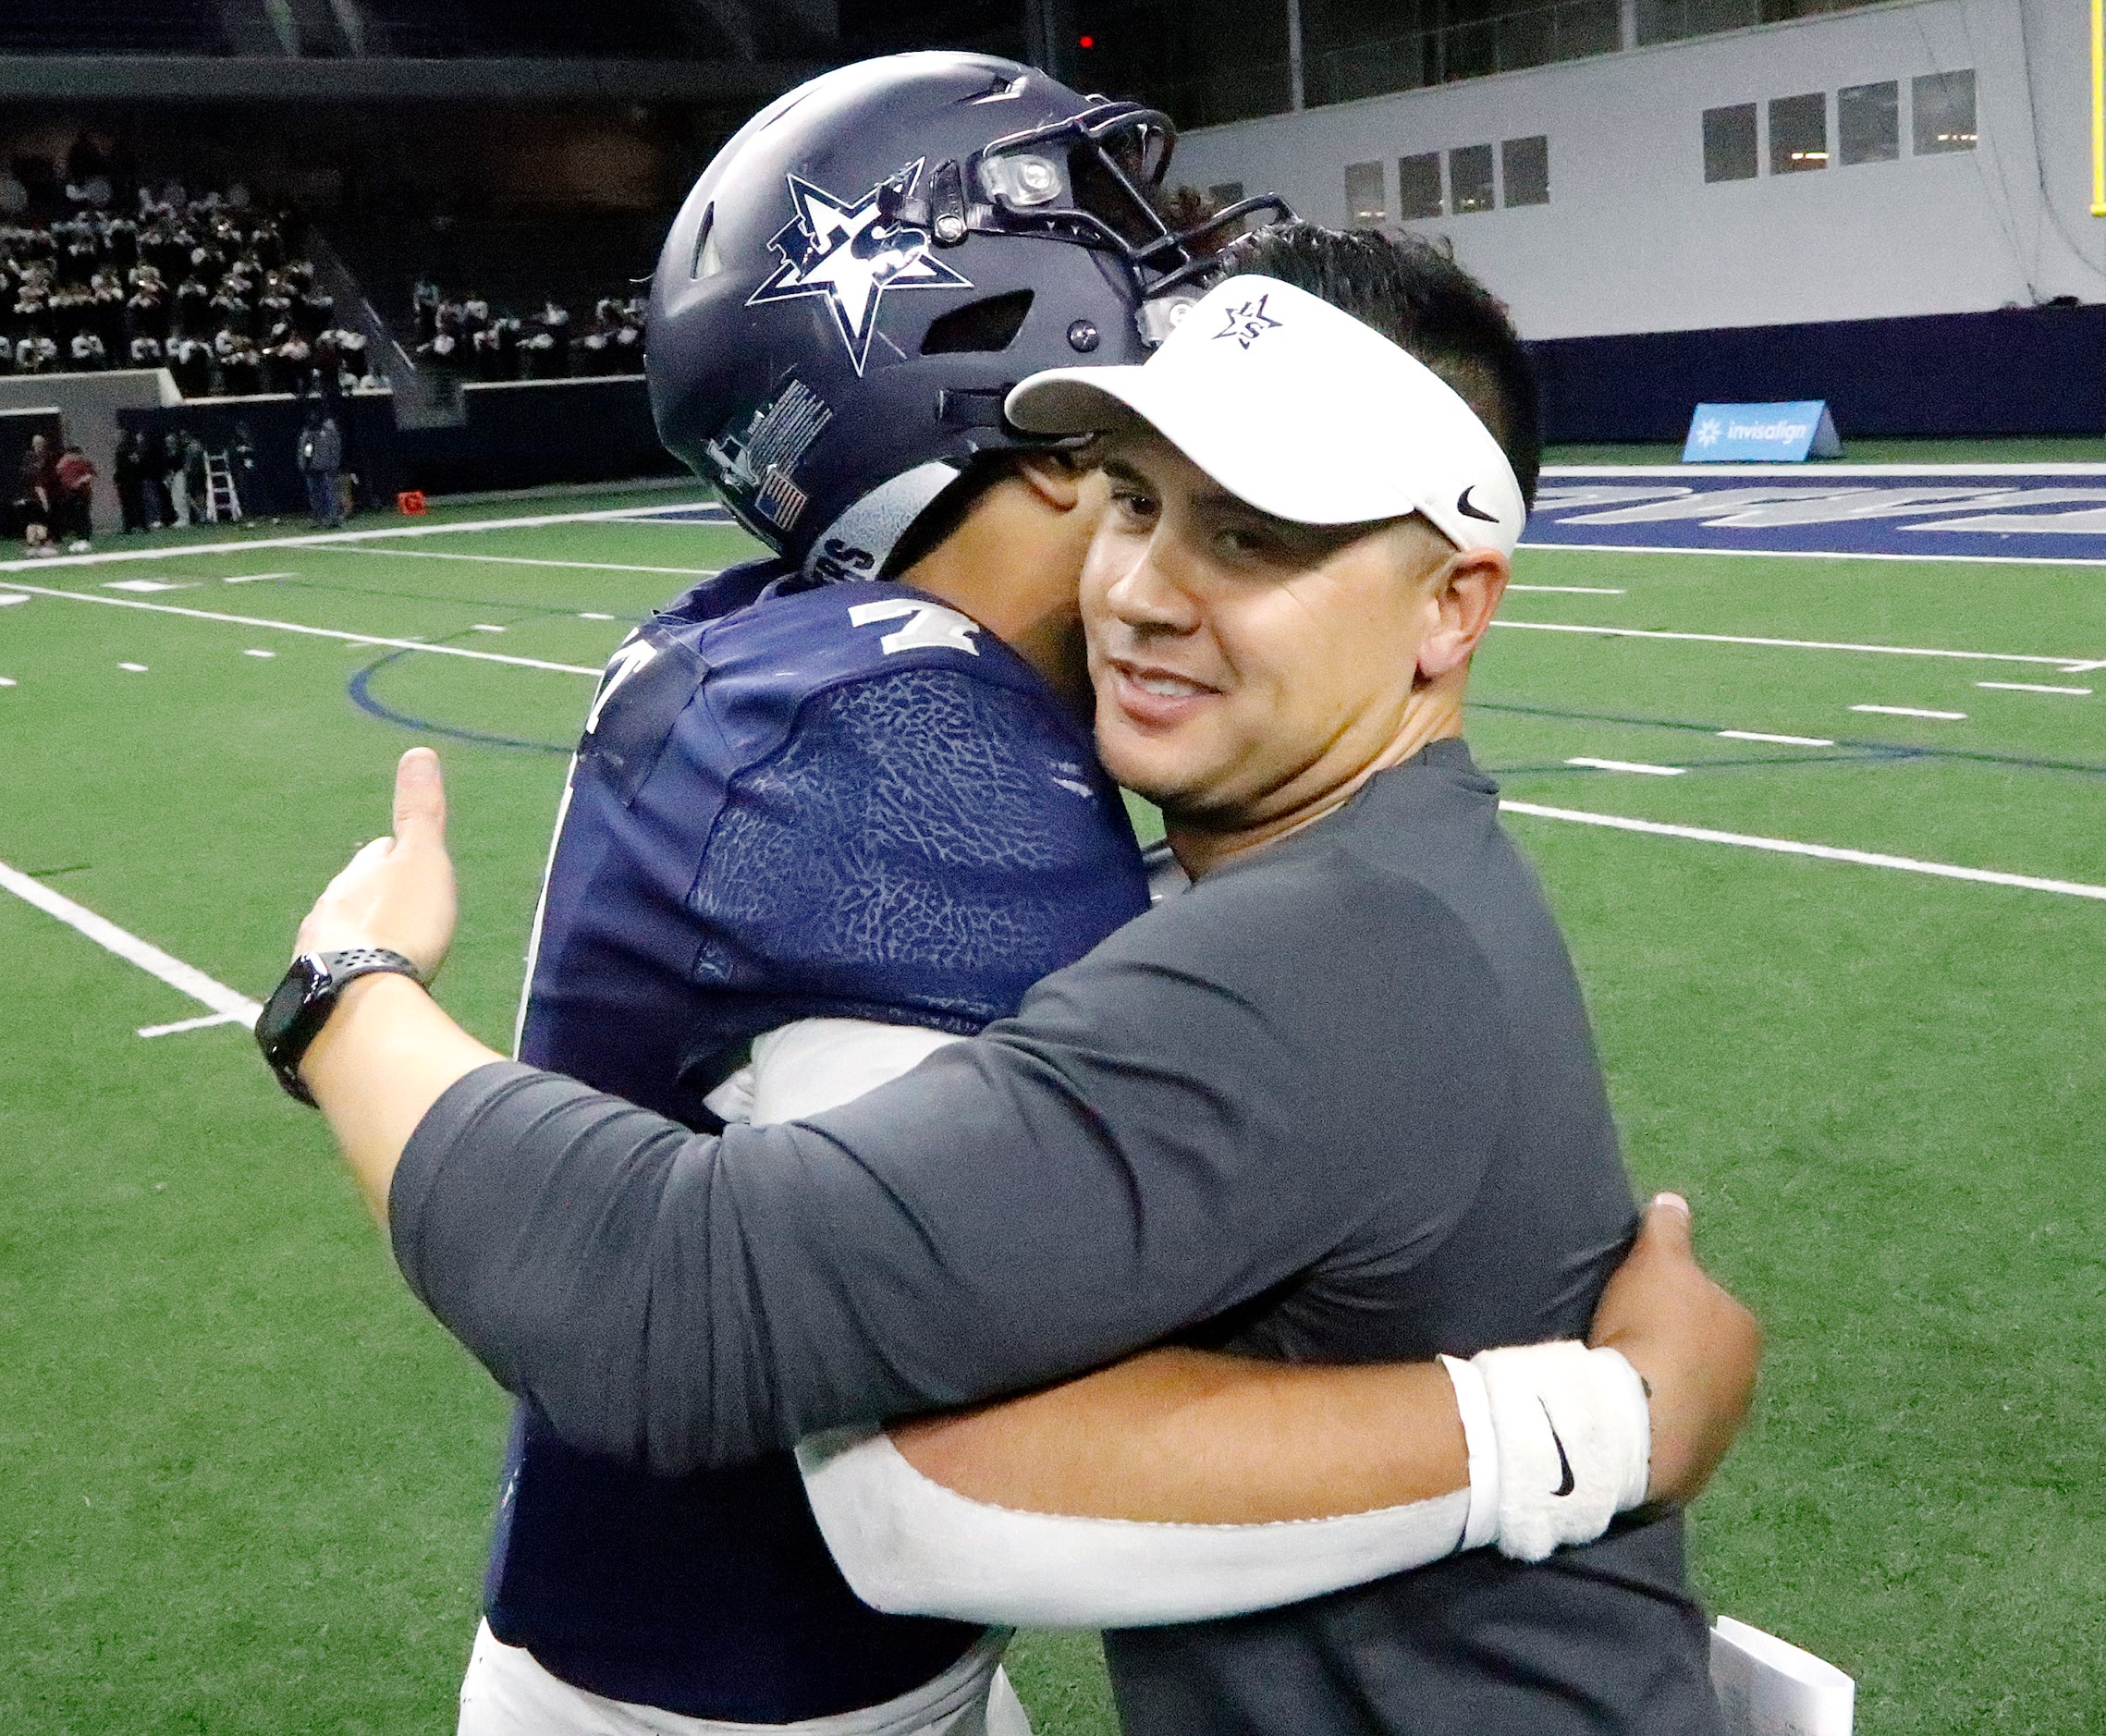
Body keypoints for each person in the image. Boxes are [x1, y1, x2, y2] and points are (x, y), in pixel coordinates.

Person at [274, 208, 1761, 1736]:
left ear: (1451, 604)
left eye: (1250, 532)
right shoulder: (1342, 874)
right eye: (1131, 501)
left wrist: (345, 990)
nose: (1143, 590)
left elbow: (673, 1297)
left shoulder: (1321, 946)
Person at [298, 405, 342, 528]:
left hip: (327, 468)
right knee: (315, 495)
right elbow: (305, 450)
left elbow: (335, 450)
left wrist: (334, 465)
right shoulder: (308, 432)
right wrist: (304, 465)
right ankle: (318, 518)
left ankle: (332, 518)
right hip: (312, 469)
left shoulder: (329, 432)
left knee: (330, 494)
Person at [54, 441, 94, 551]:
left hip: (80, 494)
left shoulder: (83, 463)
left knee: (82, 516)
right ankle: (78, 538)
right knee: (73, 517)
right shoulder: (65, 465)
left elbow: (89, 475)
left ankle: (85, 539)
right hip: (68, 494)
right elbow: (58, 471)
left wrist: (78, 482)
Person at [114, 428, 149, 532]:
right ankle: (142, 525)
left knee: (128, 504)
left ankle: (130, 525)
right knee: (138, 502)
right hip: (135, 480)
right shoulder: (133, 449)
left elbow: (122, 466)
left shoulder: (122, 449)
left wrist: (118, 477)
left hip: (127, 480)